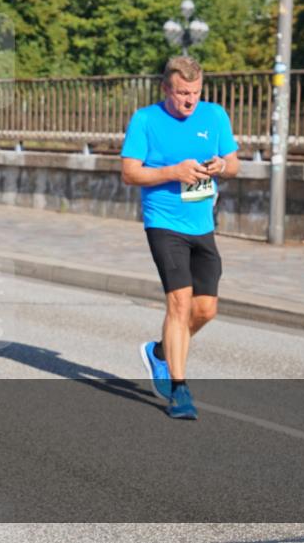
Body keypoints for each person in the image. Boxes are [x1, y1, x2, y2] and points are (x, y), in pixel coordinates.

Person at [121, 56, 239, 420]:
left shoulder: (215, 115)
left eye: (195, 92)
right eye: (182, 93)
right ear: (165, 89)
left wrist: (221, 166)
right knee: (179, 304)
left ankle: (159, 352)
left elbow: (234, 164)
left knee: (206, 309)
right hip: (163, 223)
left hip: (202, 226)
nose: (190, 100)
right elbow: (129, 173)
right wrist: (173, 171)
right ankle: (179, 388)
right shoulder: (145, 120)